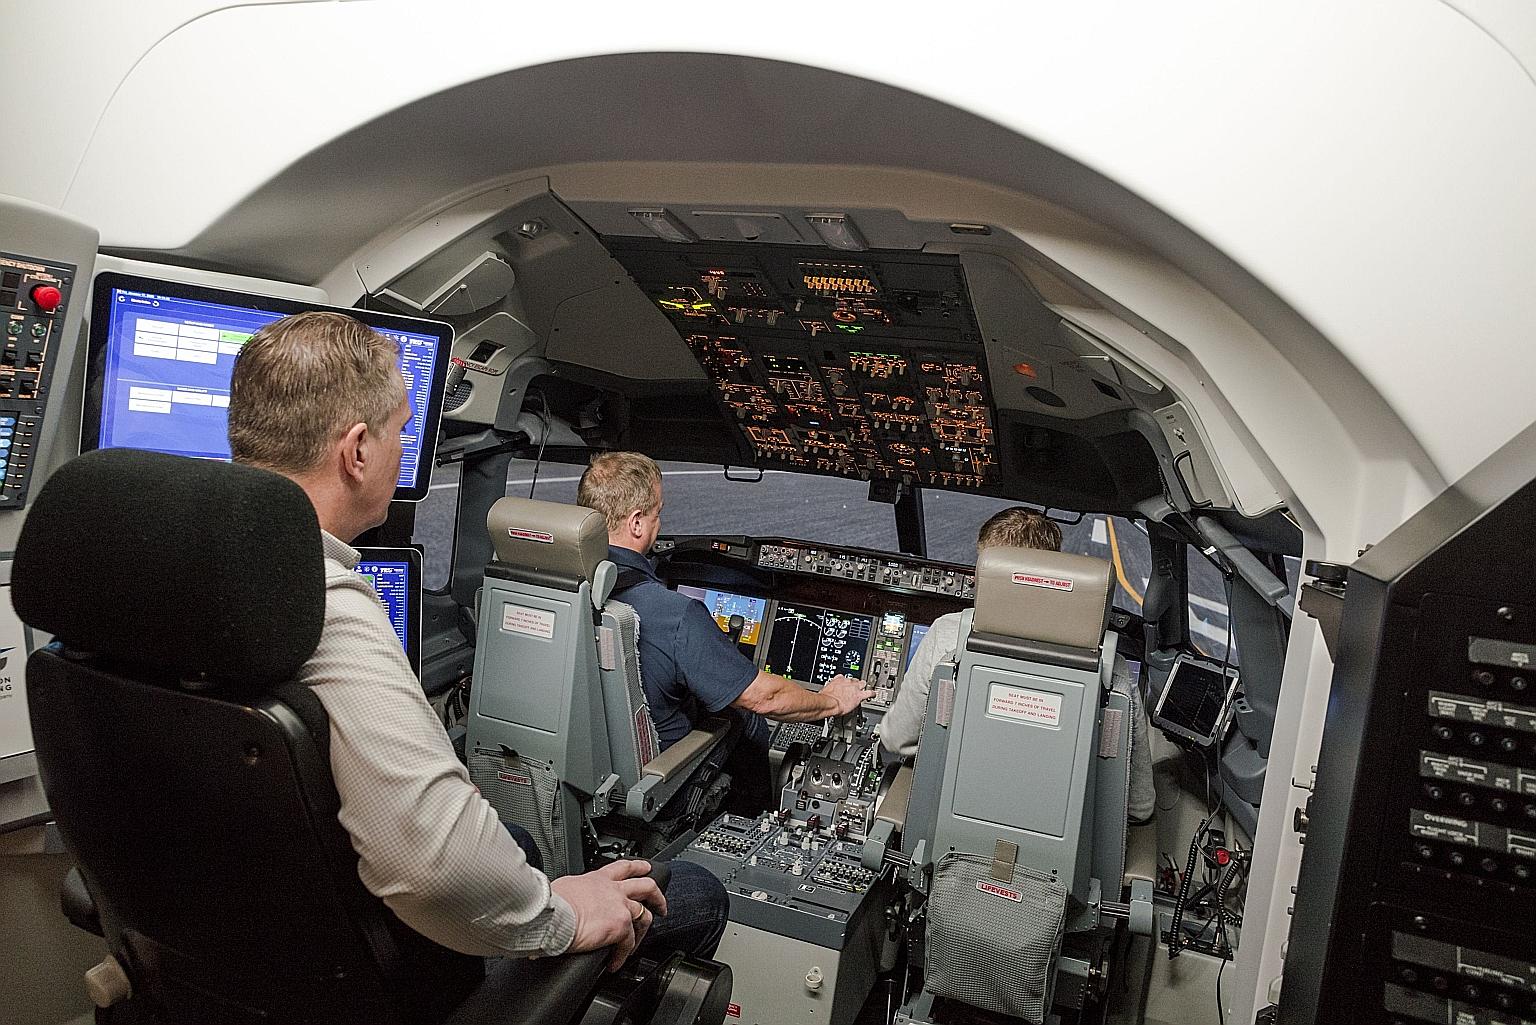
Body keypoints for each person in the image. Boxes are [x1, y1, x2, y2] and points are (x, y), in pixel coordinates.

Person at [226, 312, 726, 971]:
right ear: (356, 451)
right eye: (402, 431)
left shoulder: (197, 568)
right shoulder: (324, 601)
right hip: (366, 964)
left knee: (514, 839)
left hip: (259, 923)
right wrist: (565, 915)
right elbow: (433, 864)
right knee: (692, 894)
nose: (405, 448)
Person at [576, 452, 872, 815]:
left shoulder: (563, 590)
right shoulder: (674, 614)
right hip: (659, 786)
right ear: (636, 523)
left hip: (583, 778)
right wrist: (834, 701)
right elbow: (766, 699)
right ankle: (753, 821)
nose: (659, 523)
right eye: (657, 513)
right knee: (744, 719)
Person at [880, 508, 1155, 823]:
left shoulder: (948, 637)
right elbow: (1139, 806)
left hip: (948, 849)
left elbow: (896, 740)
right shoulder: (1110, 669)